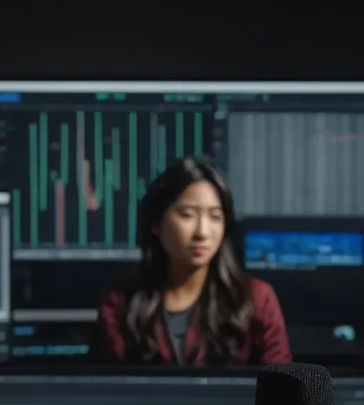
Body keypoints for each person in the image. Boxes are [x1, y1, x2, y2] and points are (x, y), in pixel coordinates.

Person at [95, 157, 292, 366]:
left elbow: (281, 390)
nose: (202, 232)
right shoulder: (119, 305)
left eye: (215, 217)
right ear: (156, 223)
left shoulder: (256, 299)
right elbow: (107, 392)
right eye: (187, 215)